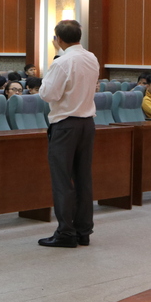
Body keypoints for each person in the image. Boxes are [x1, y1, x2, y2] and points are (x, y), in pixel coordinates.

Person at [35, 20, 100, 249]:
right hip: (87, 124)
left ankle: (66, 233)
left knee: (62, 180)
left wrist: (54, 60)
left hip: (65, 125)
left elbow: (48, 94)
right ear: (79, 37)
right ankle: (83, 231)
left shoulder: (62, 62)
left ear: (59, 39)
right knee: (83, 178)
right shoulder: (91, 58)